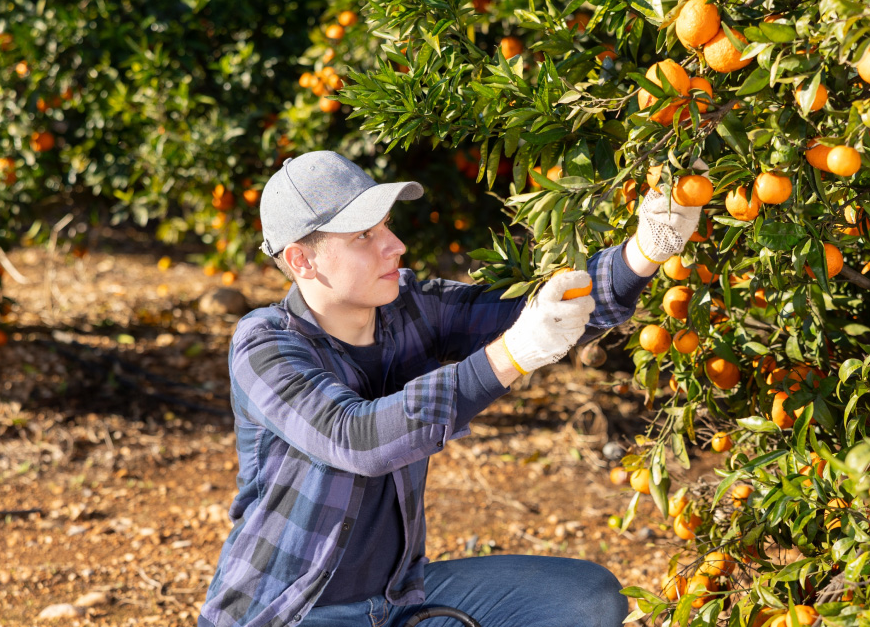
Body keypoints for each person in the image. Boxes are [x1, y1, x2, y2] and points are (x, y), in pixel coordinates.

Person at [198, 151, 703, 627]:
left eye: (388, 227)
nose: (394, 245)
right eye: (363, 236)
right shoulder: (265, 345)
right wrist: (510, 355)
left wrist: (644, 251)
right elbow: (356, 438)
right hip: (291, 611)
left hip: (396, 604)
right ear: (302, 261)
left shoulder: (408, 306)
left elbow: (541, 311)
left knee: (589, 599)